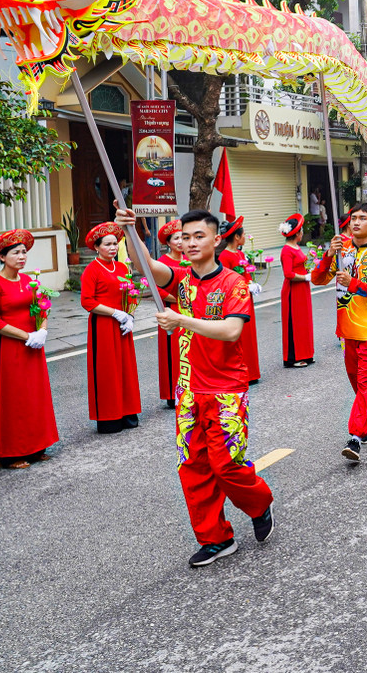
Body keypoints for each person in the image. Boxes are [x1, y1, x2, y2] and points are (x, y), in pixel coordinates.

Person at [117, 206, 276, 567]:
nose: (189, 243)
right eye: (185, 237)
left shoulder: (233, 283)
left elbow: (232, 330)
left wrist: (181, 319)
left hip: (225, 391)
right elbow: (144, 266)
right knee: (193, 466)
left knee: (227, 466)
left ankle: (259, 502)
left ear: (216, 239)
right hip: (189, 391)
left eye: (198, 236)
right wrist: (131, 232)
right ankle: (216, 538)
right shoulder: (180, 279)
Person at [312, 203, 367, 459]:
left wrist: (355, 284)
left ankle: (355, 436)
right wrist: (328, 255)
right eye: (353, 218)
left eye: (363, 218)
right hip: (346, 330)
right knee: (357, 382)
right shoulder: (341, 248)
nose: (356, 222)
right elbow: (317, 279)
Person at [0, 230, 59, 469]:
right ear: (3, 257)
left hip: (34, 346)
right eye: (15, 252)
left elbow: (43, 307)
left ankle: (37, 447)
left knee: (35, 396)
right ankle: (12, 453)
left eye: (24, 252)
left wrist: (43, 330)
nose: (22, 256)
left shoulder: (29, 281)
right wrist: (27, 335)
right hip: (11, 348)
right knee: (14, 399)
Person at [80, 222, 141, 434]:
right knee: (107, 370)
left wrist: (130, 316)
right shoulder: (92, 270)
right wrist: (114, 313)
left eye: (115, 243)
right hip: (104, 325)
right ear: (97, 247)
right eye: (107, 244)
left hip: (123, 324)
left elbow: (131, 293)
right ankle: (109, 418)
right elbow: (87, 301)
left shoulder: (123, 268)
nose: (113, 248)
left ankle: (128, 412)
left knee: (125, 368)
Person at [217, 218, 262, 386]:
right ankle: (240, 372)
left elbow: (246, 274)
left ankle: (252, 371)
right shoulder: (224, 256)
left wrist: (252, 284)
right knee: (240, 336)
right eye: (243, 234)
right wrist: (244, 286)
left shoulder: (241, 254)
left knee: (249, 336)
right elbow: (226, 281)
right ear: (237, 237)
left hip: (246, 298)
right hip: (236, 300)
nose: (245, 237)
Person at [156, 219, 189, 407]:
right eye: (175, 238)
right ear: (168, 243)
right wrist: (181, 298)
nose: (179, 242)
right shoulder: (163, 263)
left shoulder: (190, 260)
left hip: (190, 311)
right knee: (173, 352)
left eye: (182, 237)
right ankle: (171, 392)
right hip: (171, 311)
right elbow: (157, 289)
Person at [279, 214, 314, 368]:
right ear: (297, 233)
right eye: (301, 231)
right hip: (293, 290)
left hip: (302, 288)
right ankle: (293, 357)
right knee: (295, 323)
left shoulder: (297, 247)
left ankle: (306, 353)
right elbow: (288, 274)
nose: (302, 233)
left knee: (304, 321)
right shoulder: (287, 250)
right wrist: (305, 277)